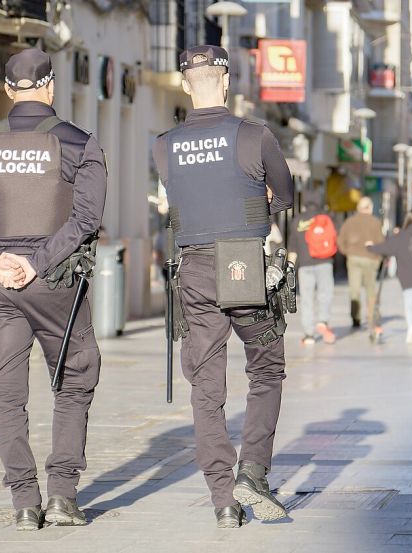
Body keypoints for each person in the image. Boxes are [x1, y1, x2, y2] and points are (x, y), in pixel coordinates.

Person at [0, 48, 107, 530]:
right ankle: (61, 496)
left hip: (1, 286)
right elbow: (87, 219)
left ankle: (23, 501)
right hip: (57, 282)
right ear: (51, 88)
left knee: (5, 390)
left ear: (9, 91)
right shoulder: (80, 144)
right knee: (76, 379)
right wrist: (36, 262)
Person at [151, 45, 295, 528]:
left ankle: (222, 498)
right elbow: (286, 195)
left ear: (186, 85)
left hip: (193, 265)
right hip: (242, 261)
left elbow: (180, 197)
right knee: (267, 368)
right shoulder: (253, 135)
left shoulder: (164, 144)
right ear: (228, 82)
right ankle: (252, 471)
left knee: (206, 385)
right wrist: (259, 201)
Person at [367, 209, 412, 344]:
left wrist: (371, 247)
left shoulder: (403, 236)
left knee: (410, 304)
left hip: (408, 276)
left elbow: (387, 247)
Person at [289, 193, 338, 345]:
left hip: (304, 265)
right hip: (325, 262)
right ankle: (323, 321)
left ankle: (309, 334)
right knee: (325, 293)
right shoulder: (326, 218)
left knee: (307, 299)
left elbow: (292, 248)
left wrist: (290, 267)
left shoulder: (297, 220)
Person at [337, 197, 385, 340]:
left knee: (354, 289)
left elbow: (340, 240)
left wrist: (347, 252)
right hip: (371, 259)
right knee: (371, 290)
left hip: (354, 258)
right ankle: (371, 318)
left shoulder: (349, 221)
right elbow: (380, 243)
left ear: (358, 208)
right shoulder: (376, 222)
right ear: (369, 208)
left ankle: (356, 317)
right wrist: (378, 258)